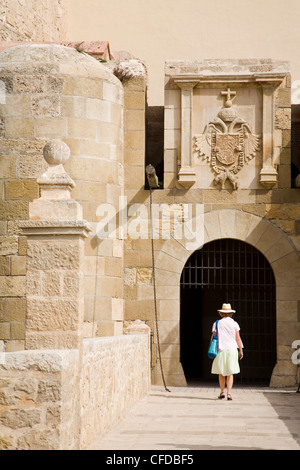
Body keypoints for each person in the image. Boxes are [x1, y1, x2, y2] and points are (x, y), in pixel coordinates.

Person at [210, 303, 243, 400]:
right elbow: (238, 338)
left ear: (221, 313)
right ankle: (229, 393)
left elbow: (213, 337)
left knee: (221, 372)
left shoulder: (216, 323)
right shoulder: (234, 324)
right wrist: (241, 350)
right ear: (231, 313)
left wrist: (211, 346)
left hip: (221, 349)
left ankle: (222, 392)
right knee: (230, 372)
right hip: (232, 349)